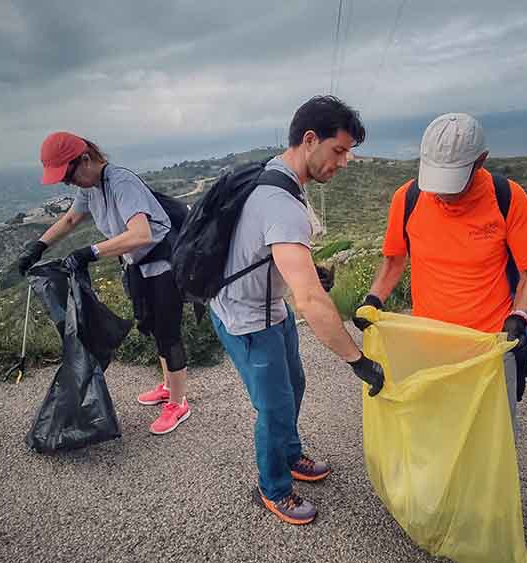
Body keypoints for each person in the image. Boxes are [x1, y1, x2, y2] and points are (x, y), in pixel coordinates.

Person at [209, 96, 385, 526]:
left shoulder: (277, 174)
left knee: (294, 385)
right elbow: (309, 300)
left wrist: (306, 269)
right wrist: (357, 359)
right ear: (311, 140)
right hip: (247, 318)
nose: (344, 162)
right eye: (339, 150)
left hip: (269, 309)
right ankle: (274, 489)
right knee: (274, 406)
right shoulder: (283, 204)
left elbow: (262, 248)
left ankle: (289, 456)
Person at [358, 113, 527, 432]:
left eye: (453, 181)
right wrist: (373, 299)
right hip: (429, 346)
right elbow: (394, 261)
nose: (442, 194)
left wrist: (519, 314)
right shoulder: (408, 198)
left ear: (481, 161)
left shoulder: (508, 198)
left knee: (490, 438)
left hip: (490, 347)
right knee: (435, 434)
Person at [16, 132, 192, 435]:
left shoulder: (121, 183)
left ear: (85, 159)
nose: (68, 183)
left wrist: (91, 252)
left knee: (168, 331)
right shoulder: (91, 187)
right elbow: (71, 220)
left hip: (163, 262)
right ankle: (168, 386)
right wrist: (38, 246)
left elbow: (142, 234)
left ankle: (178, 403)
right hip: (138, 263)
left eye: (69, 175)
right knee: (151, 324)